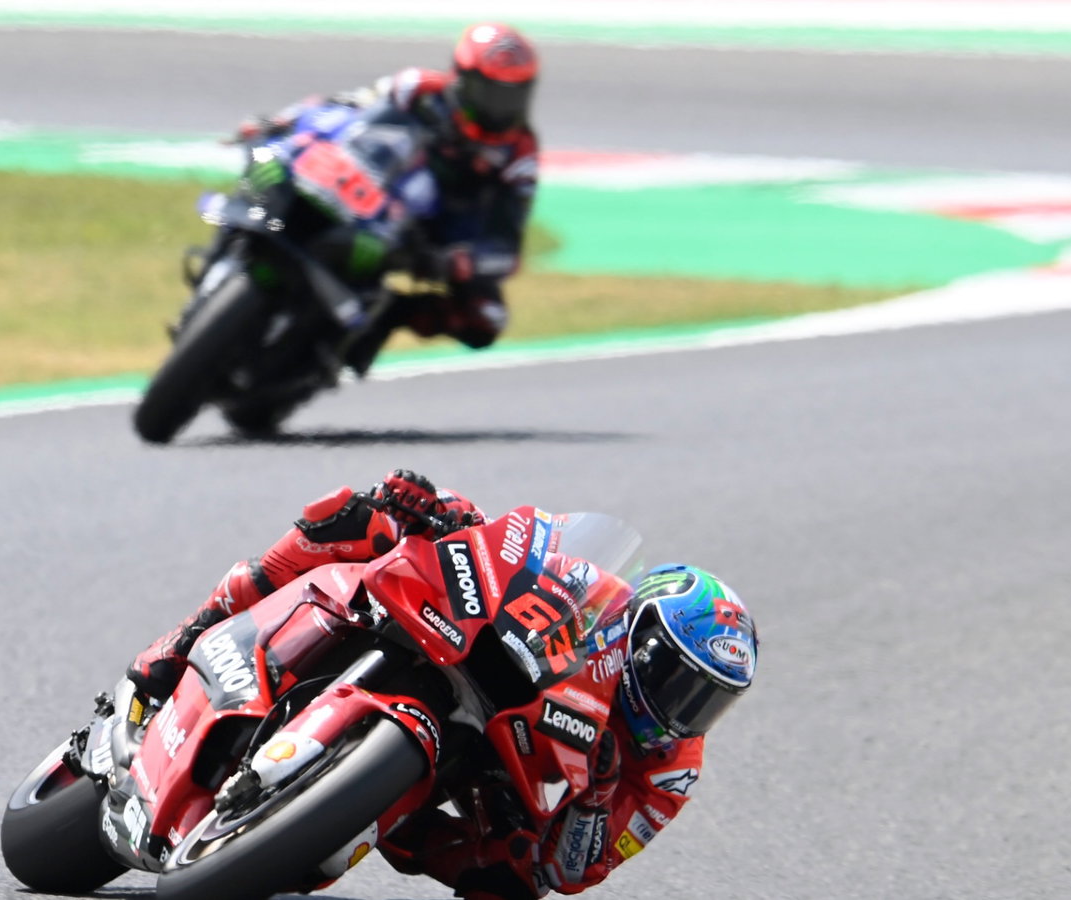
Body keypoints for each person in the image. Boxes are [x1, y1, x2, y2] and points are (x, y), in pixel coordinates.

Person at [127, 469, 759, 900]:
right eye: (676, 680)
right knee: (360, 522)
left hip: (502, 776)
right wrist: (445, 513)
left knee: (513, 880)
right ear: (639, 631)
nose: (684, 710)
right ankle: (188, 636)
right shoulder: (598, 598)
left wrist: (592, 797)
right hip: (478, 661)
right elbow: (515, 547)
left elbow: (573, 869)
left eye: (707, 702)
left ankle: (345, 818)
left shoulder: (668, 772)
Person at [232, 23, 541, 363]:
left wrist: (466, 260)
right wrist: (282, 122)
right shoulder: (417, 88)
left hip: (436, 235)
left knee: (487, 318)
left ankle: (384, 317)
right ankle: (237, 240)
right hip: (369, 184)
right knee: (269, 156)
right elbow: (347, 108)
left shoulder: (519, 154)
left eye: (515, 95)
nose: (502, 108)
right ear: (463, 80)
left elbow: (507, 245)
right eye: (492, 94)